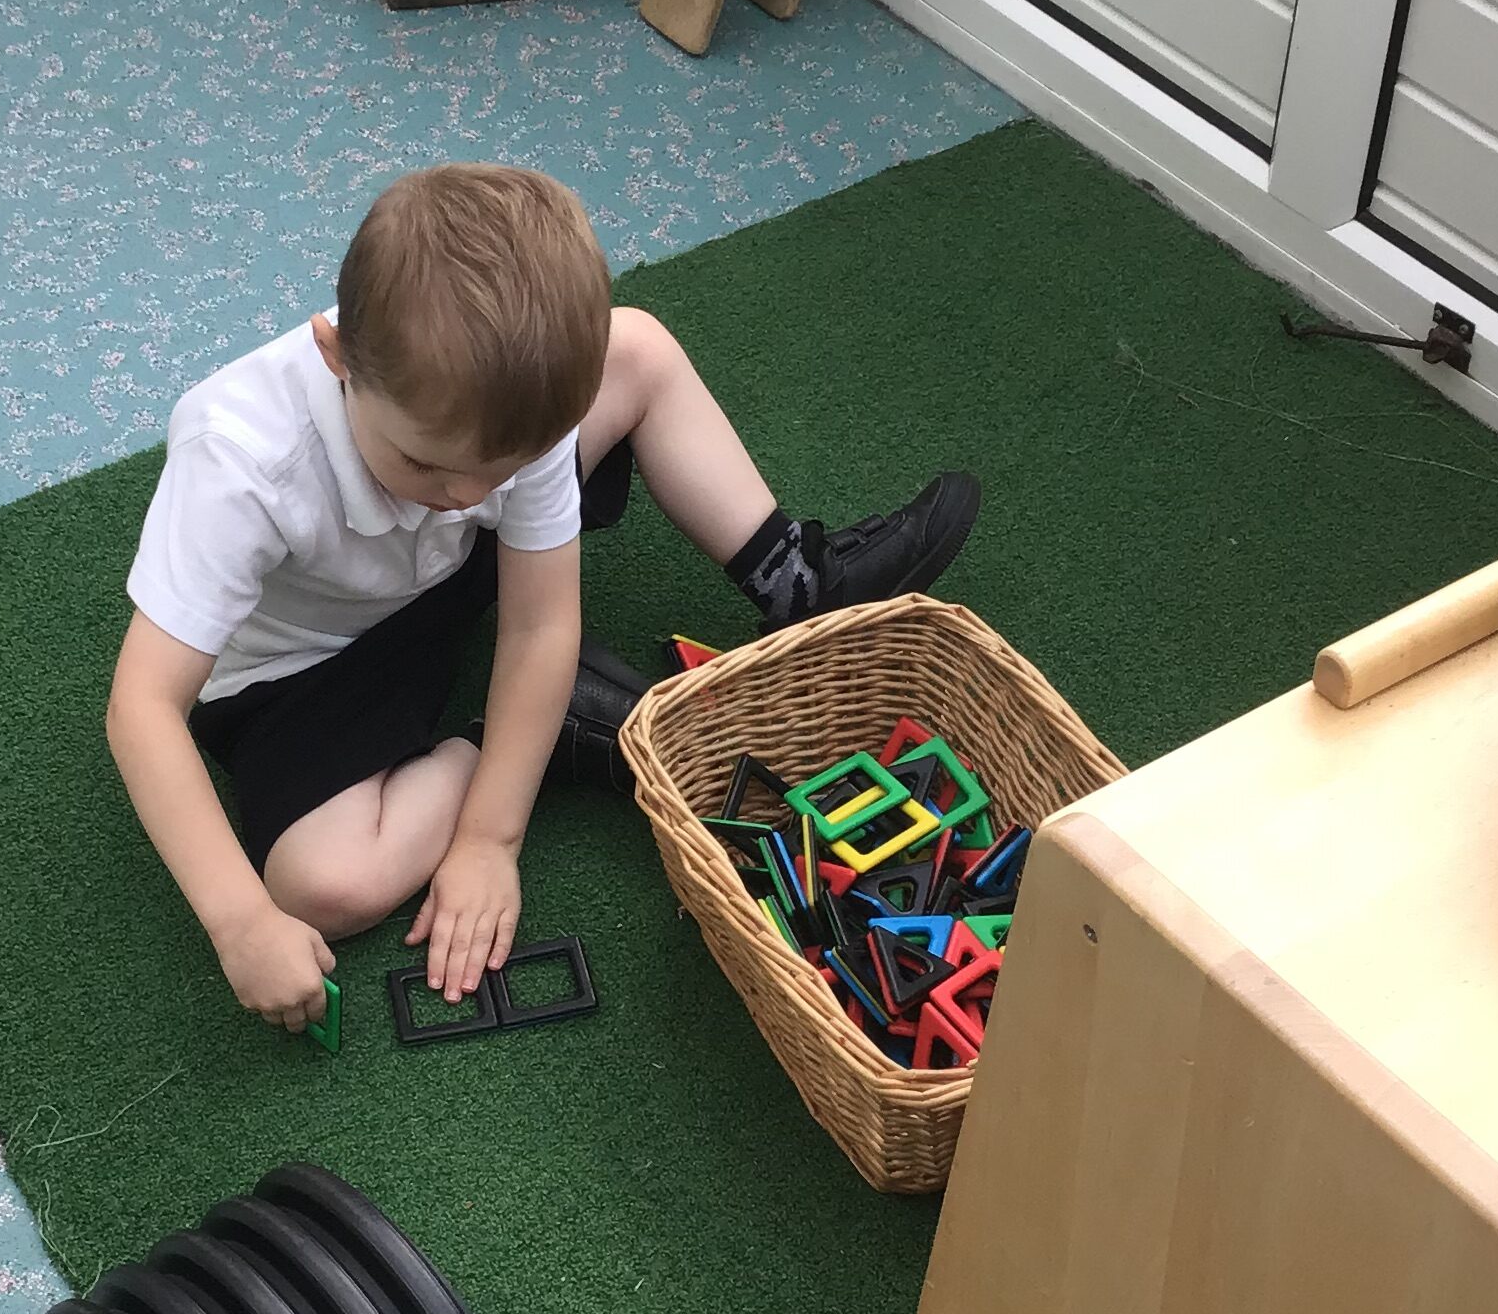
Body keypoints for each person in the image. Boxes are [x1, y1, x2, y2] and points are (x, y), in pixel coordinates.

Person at [106, 163, 978, 1033]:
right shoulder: (241, 459)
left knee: (635, 350)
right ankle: (543, 730)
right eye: (424, 463)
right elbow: (143, 708)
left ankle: (794, 578)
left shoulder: (500, 436)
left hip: (442, 576)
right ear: (336, 358)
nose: (462, 496)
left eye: (500, 470)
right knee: (322, 886)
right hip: (303, 666)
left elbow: (539, 623)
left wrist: (492, 838)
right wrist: (239, 920)